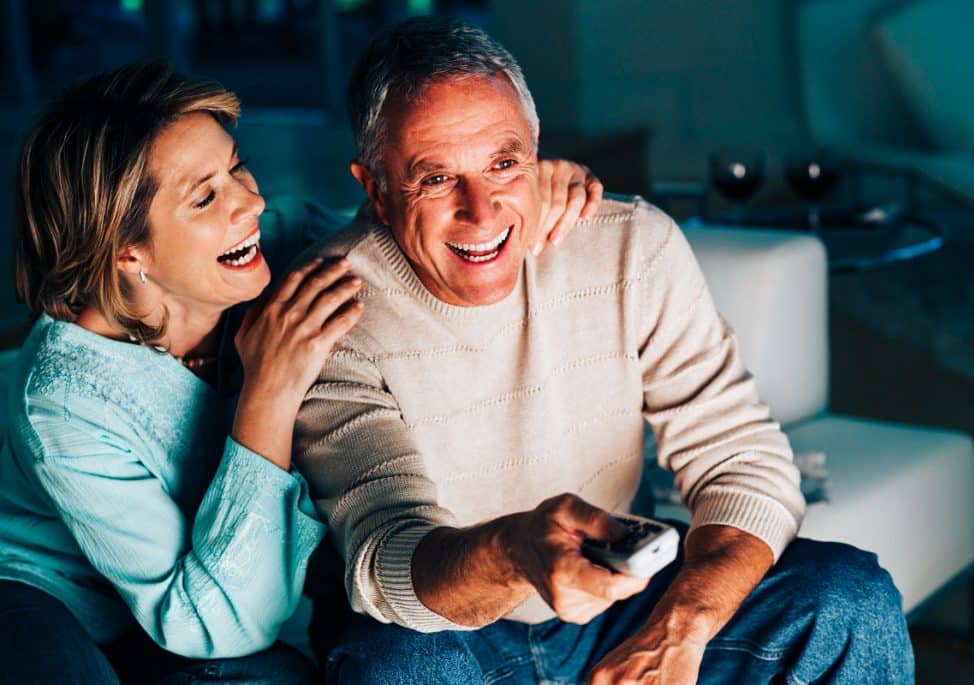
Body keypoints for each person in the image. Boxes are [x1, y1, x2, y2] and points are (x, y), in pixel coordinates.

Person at [293, 17, 916, 685]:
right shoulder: (329, 309)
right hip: (448, 633)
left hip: (621, 607)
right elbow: (383, 554)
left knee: (853, 598)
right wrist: (513, 551)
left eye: (504, 163)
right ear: (375, 188)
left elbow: (744, 460)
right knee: (397, 663)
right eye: (436, 178)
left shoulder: (629, 246)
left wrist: (681, 629)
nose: (482, 209)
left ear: (537, 152)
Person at [0, 62, 602, 685]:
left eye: (236, 166)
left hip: (203, 598)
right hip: (55, 592)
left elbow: (401, 218)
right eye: (205, 196)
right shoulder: (63, 403)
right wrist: (270, 387)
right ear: (126, 248)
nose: (251, 202)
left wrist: (527, 184)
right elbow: (219, 629)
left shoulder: (275, 243)